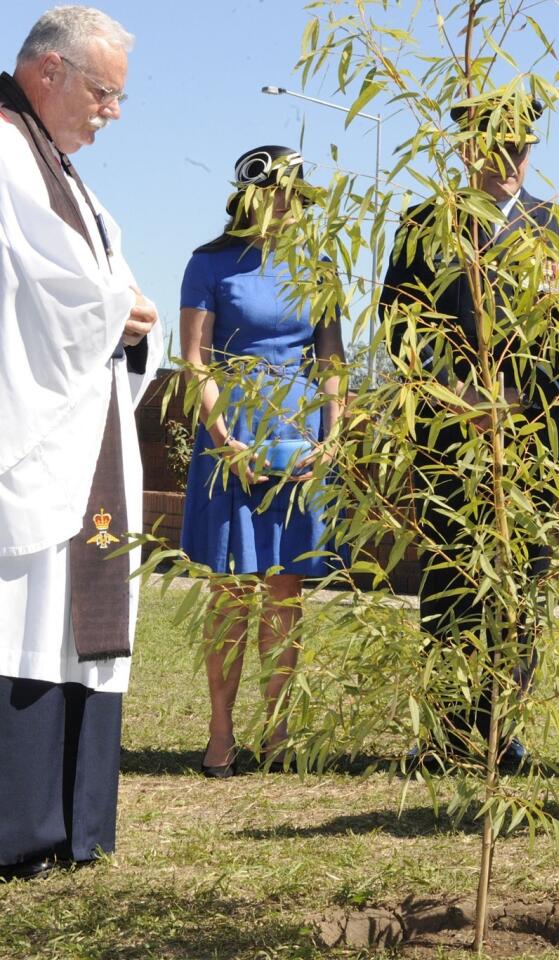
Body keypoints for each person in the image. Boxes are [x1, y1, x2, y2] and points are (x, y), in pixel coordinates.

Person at [382, 96, 559, 770]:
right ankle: (445, 732)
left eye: (521, 147)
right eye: (494, 147)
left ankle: (500, 727)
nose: (509, 161)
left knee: (522, 584)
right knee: (450, 579)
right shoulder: (426, 222)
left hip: (530, 439)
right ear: (465, 149)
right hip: (449, 436)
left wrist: (512, 395)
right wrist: (457, 391)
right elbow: (398, 324)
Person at [0, 6, 162, 881]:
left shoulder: (68, 178)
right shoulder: (3, 156)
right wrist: (113, 310)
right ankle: (20, 829)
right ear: (48, 73)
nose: (114, 111)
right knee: (23, 622)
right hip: (25, 427)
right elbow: (34, 294)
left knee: (76, 622)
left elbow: (100, 284)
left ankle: (74, 824)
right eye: (105, 92)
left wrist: (131, 319)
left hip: (86, 422)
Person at [178, 145, 346, 777]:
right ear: (249, 195)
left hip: (298, 433)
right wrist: (225, 443)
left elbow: (330, 359)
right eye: (276, 193)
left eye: (295, 196)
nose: (286, 205)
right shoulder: (209, 263)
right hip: (233, 430)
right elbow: (196, 358)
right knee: (230, 589)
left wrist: (331, 438)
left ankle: (277, 733)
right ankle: (220, 734)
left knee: (284, 589)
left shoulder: (319, 268)